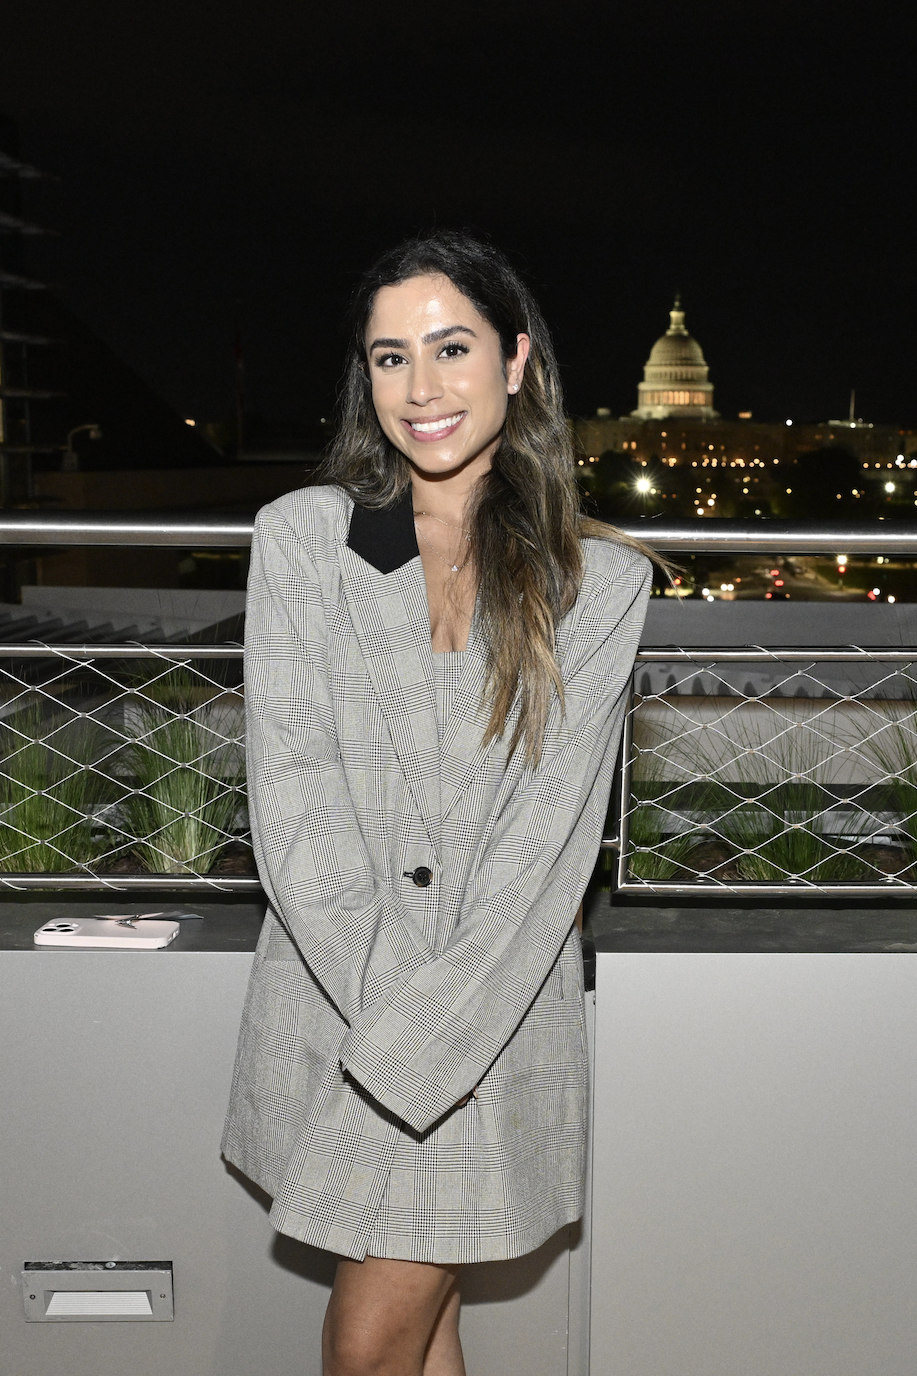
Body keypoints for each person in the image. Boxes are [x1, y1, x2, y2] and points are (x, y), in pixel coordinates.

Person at [222, 231, 653, 1376]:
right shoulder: (302, 542)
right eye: (388, 356)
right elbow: (295, 802)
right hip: (341, 1011)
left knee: (368, 1347)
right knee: (420, 1333)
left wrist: (422, 1047)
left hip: (490, 1024)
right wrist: (385, 1034)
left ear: (515, 361)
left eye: (449, 347)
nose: (419, 387)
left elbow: (547, 848)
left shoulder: (598, 581)